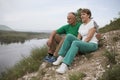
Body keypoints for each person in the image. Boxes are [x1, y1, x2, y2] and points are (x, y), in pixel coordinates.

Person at [53, 8, 98, 74]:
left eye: (83, 14)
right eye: (81, 15)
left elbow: (89, 37)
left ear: (88, 15)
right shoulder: (81, 26)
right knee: (69, 36)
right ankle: (61, 57)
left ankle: (65, 66)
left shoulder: (93, 23)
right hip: (83, 44)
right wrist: (75, 47)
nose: (81, 16)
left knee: (75, 43)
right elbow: (78, 37)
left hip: (91, 44)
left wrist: (79, 46)